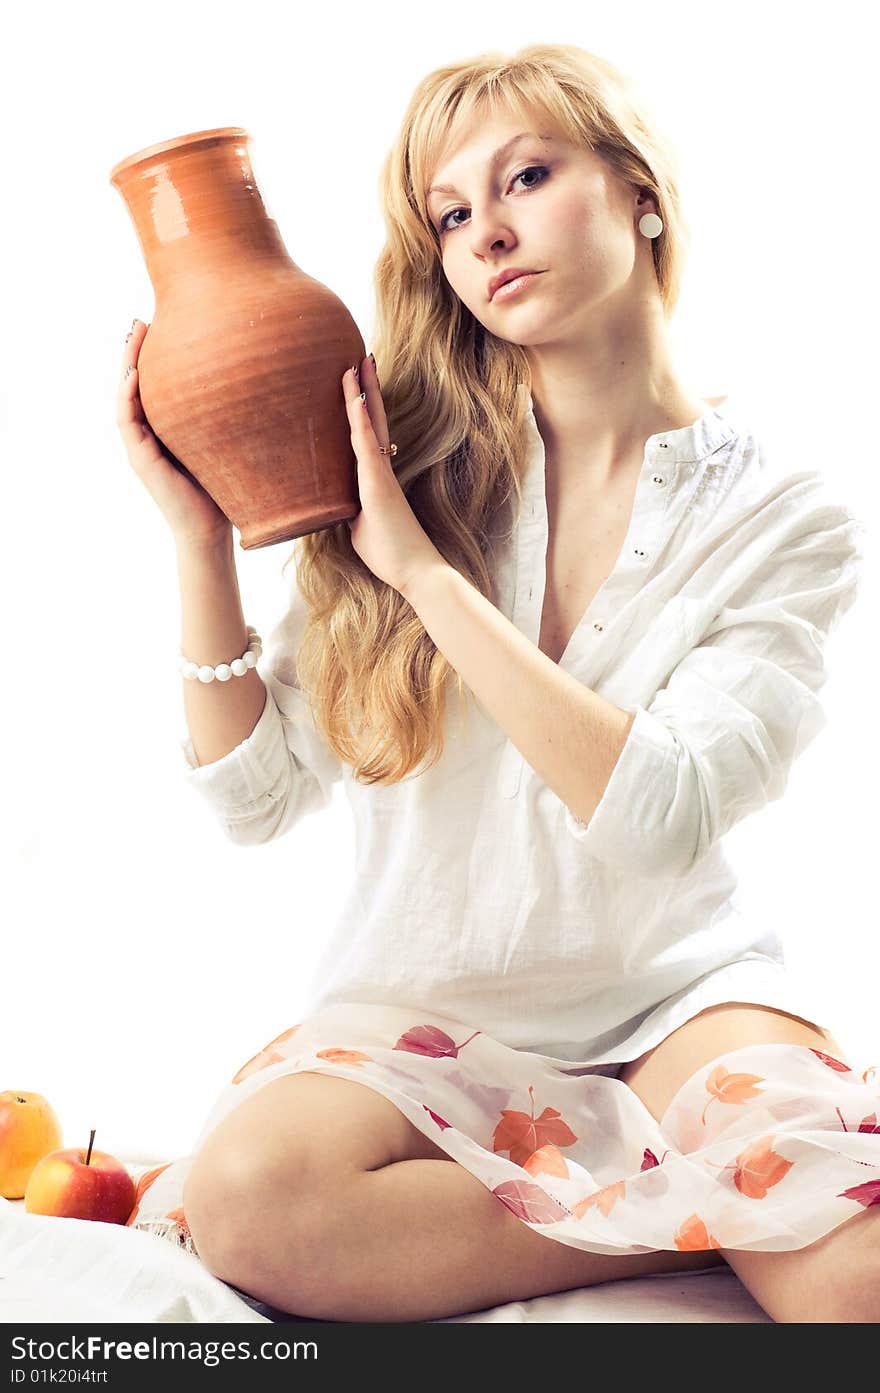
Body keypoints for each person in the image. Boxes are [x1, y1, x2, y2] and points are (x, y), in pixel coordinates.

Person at [115, 44, 878, 1324]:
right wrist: (199, 541)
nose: (487, 233)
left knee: (854, 1287)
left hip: (678, 1001)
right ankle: (695, 1220)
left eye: (524, 175)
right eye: (451, 214)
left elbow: (659, 813)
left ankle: (707, 1188)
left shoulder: (784, 516)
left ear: (640, 192)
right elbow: (254, 800)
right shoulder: (402, 466)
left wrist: (426, 581)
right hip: (423, 1019)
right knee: (251, 1199)